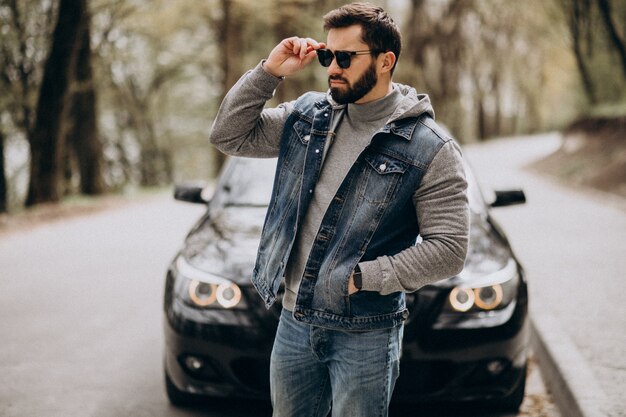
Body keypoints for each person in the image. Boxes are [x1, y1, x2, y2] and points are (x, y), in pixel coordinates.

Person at [209, 2, 469, 416]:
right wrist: (269, 73)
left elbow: (449, 247)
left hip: (366, 331)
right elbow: (228, 135)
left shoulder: (430, 148)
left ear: (386, 61)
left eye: (345, 57)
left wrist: (362, 277)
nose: (333, 67)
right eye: (328, 56)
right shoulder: (307, 117)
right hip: (293, 321)